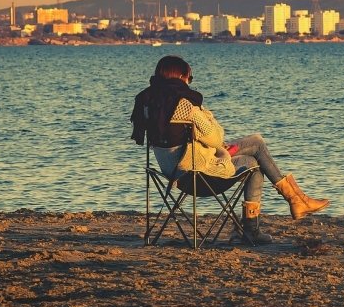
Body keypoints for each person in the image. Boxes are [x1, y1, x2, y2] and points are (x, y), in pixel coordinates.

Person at [130, 55, 328, 244]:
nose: (189, 82)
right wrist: (206, 115)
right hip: (197, 175)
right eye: (189, 77)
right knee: (255, 154)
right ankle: (269, 218)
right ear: (181, 77)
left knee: (255, 147)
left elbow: (185, 138)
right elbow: (216, 138)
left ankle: (293, 201)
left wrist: (212, 146)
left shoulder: (148, 103)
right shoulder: (185, 104)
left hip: (172, 172)